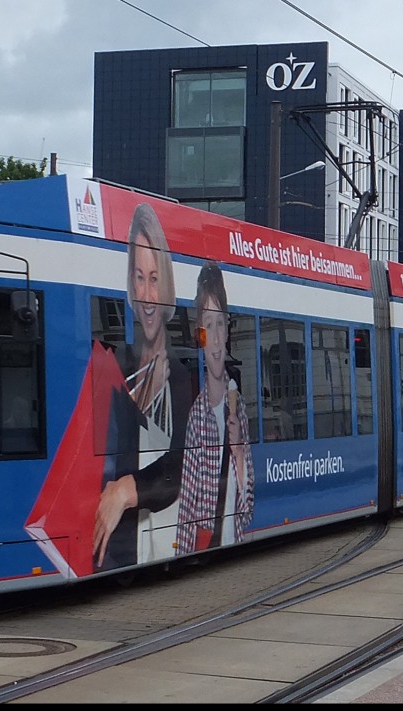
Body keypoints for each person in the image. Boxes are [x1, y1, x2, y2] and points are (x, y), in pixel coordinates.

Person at [93, 202, 195, 571]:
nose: (148, 294)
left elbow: (180, 468)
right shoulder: (115, 366)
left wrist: (124, 490)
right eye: (139, 277)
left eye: (154, 278)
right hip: (113, 548)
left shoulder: (182, 377)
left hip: (156, 544)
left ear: (165, 285)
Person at [176, 262, 255, 555]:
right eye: (208, 324)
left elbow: (247, 509)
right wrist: (182, 555)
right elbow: (187, 505)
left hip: (233, 539)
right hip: (209, 542)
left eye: (220, 322)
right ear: (200, 335)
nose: (216, 335)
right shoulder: (197, 415)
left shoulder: (240, 409)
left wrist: (238, 452)